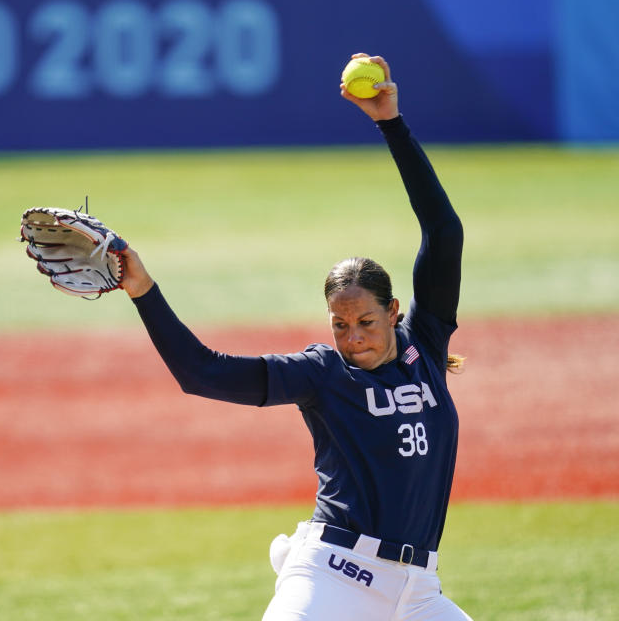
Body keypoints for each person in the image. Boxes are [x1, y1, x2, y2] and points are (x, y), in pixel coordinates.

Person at [117, 54, 472, 620]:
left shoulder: (423, 345)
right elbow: (201, 373)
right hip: (333, 578)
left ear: (394, 311)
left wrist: (391, 124)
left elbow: (443, 231)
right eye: (339, 324)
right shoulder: (322, 373)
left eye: (365, 322)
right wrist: (143, 291)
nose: (352, 337)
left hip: (418, 593)